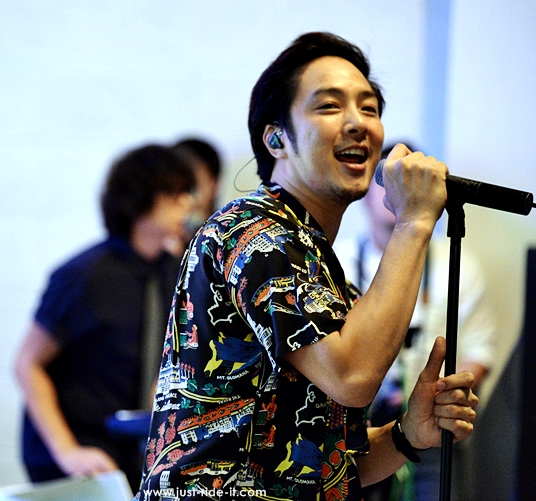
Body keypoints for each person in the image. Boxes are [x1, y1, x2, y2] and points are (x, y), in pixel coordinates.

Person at [135, 32, 479, 501]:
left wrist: (406, 435)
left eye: (370, 108)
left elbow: (325, 470)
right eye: (330, 106)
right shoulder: (252, 231)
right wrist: (415, 220)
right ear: (276, 139)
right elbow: (352, 378)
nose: (358, 123)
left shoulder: (325, 275)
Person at [14, 144, 196, 489]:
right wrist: (67, 451)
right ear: (140, 199)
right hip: (74, 453)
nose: (187, 204)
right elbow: (27, 364)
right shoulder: (84, 275)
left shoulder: (173, 271)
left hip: (131, 451)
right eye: (174, 195)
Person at [335, 142, 495, 500]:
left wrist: (445, 397)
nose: (399, 192)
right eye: (388, 180)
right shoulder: (337, 260)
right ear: (364, 193)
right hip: (358, 422)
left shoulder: (460, 264)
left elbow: (480, 349)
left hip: (429, 422)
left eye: (411, 180)